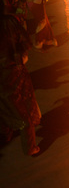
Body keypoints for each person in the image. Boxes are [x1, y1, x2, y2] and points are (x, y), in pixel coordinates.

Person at [0, 14, 41, 155]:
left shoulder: (9, 22)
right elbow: (26, 41)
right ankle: (29, 146)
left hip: (11, 71)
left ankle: (8, 133)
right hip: (13, 71)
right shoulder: (9, 22)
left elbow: (25, 41)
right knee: (22, 111)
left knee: (7, 106)